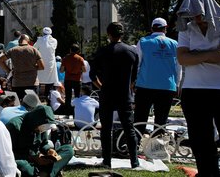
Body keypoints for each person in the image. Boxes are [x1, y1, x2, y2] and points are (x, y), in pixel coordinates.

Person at [176, 0, 220, 177]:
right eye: (192, 15)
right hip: (194, 91)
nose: (196, 19)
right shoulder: (187, 28)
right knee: (201, 141)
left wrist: (196, 56)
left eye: (199, 14)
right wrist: (211, 55)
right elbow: (182, 58)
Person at [90, 22, 139, 168]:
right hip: (124, 94)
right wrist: (128, 88)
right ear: (122, 34)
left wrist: (101, 87)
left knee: (106, 129)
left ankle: (107, 161)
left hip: (107, 94)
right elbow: (135, 76)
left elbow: (92, 75)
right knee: (129, 128)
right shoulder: (131, 51)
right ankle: (134, 161)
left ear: (109, 34)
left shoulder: (103, 51)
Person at [134, 17, 181, 139]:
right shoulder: (175, 44)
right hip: (167, 86)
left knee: (140, 117)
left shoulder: (143, 41)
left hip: (145, 85)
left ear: (152, 28)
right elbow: (179, 67)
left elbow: (137, 63)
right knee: (161, 119)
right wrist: (177, 84)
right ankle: (157, 147)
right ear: (166, 28)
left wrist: (134, 81)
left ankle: (135, 143)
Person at [6, 105, 74, 177]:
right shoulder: (14, 125)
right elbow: (8, 154)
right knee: (22, 166)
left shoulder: (41, 124)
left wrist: (48, 150)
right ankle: (47, 172)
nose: (39, 131)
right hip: (23, 159)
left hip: (39, 159)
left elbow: (43, 144)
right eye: (38, 129)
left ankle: (44, 173)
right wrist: (33, 158)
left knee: (68, 150)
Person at [0, 34, 44, 101]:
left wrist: (9, 71)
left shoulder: (13, 50)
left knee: (18, 105)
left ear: (19, 40)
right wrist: (33, 67)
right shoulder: (34, 50)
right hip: (32, 82)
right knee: (33, 105)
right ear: (27, 40)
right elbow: (42, 66)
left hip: (17, 83)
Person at [34, 27, 59, 100]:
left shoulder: (39, 40)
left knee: (39, 79)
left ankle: (37, 96)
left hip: (41, 63)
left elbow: (35, 48)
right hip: (50, 63)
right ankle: (48, 96)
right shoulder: (54, 40)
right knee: (50, 80)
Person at [60, 43, 86, 111]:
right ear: (77, 51)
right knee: (77, 96)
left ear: (70, 50)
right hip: (77, 79)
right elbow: (84, 70)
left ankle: (67, 110)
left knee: (68, 96)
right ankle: (77, 110)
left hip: (68, 79)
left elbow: (62, 70)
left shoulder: (65, 58)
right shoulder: (80, 59)